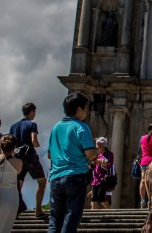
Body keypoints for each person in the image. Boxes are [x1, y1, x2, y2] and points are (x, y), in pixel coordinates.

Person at [47, 93, 98, 233]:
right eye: (86, 108)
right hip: (75, 176)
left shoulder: (55, 128)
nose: (87, 111)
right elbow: (90, 153)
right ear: (79, 109)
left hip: (56, 177)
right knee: (71, 218)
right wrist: (97, 153)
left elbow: (49, 154)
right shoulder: (80, 127)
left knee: (55, 221)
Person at [9, 102, 46, 219]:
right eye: (34, 112)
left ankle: (15, 210)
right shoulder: (32, 124)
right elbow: (34, 140)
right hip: (29, 156)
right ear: (31, 112)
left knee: (18, 183)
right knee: (42, 181)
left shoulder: (13, 126)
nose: (34, 114)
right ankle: (38, 210)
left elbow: (10, 143)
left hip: (16, 157)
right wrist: (38, 144)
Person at [88, 137, 114, 210]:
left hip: (103, 178)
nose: (99, 146)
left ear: (104, 145)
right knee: (94, 198)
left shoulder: (109, 154)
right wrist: (91, 165)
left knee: (101, 197)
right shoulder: (97, 155)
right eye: (97, 144)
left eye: (100, 144)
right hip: (96, 178)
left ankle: (109, 211)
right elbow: (92, 166)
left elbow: (109, 164)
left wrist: (100, 161)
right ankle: (92, 215)